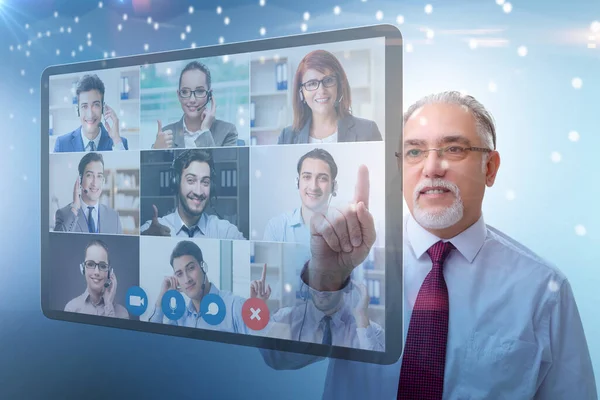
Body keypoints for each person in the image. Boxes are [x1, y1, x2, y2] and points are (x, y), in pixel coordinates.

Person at [263, 91, 597, 399]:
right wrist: (326, 280)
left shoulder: (543, 290)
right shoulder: (349, 262)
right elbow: (278, 356)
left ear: (490, 168)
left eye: (454, 149)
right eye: (414, 151)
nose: (432, 167)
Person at [148, 240, 263, 332]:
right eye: (180, 274)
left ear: (203, 267)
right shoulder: (179, 317)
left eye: (191, 268)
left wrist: (258, 313)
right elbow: (151, 339)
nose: (187, 279)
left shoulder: (234, 306)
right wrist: (161, 298)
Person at [277, 50, 382, 144]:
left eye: (328, 80)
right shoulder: (286, 137)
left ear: (339, 85)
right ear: (301, 92)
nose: (321, 90)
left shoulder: (367, 131)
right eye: (312, 83)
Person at [140, 149, 245, 239]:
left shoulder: (225, 232)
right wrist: (146, 239)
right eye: (191, 180)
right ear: (176, 183)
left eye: (205, 182)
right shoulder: (153, 230)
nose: (198, 192)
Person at [152, 60, 238, 149]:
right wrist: (156, 150)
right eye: (185, 92)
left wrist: (204, 131)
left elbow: (218, 163)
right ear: (179, 95)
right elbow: (151, 162)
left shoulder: (227, 131)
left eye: (199, 91)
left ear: (209, 95)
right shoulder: (166, 134)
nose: (192, 100)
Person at [263, 148, 337, 244]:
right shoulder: (276, 227)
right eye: (307, 177)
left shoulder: (345, 227)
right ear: (297, 182)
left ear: (333, 186)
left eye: (322, 178)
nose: (313, 187)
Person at [53, 74, 129, 152]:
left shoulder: (119, 142)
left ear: (103, 108)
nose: (90, 114)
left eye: (96, 105)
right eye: (84, 106)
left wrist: (116, 140)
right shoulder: (62, 145)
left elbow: (126, 164)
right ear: (78, 110)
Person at [54, 152, 123, 234]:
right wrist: (75, 208)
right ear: (80, 179)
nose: (95, 183)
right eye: (89, 175)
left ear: (103, 181)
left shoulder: (114, 217)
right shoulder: (64, 214)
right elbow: (59, 243)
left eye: (99, 176)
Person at [64, 239, 129, 319]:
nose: (97, 272)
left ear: (109, 272)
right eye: (90, 264)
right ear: (82, 269)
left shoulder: (122, 313)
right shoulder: (71, 308)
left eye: (102, 266)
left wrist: (108, 305)